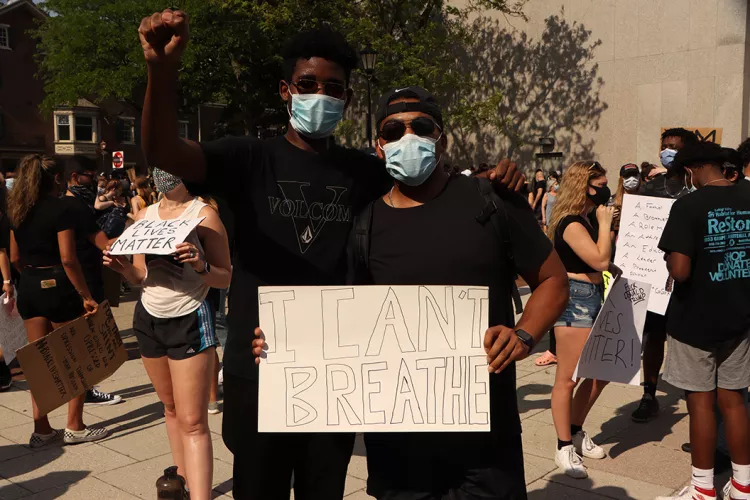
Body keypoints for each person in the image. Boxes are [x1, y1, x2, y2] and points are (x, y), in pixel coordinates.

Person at [137, 9, 525, 499]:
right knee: (259, 490)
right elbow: (164, 153)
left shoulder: (364, 172)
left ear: (346, 98)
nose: (320, 95)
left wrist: (490, 182)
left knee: (324, 490)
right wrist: (161, 70)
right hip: (257, 366)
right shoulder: (247, 159)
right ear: (286, 91)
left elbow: (429, 188)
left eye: (334, 87)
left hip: (335, 374)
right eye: (307, 83)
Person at [253, 87, 568, 499]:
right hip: (398, 446)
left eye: (421, 127)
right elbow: (344, 322)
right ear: (379, 146)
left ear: (441, 139)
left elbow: (553, 281)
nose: (408, 138)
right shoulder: (363, 222)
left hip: (485, 435)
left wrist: (524, 335)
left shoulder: (491, 202)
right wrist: (285, 343)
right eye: (393, 130)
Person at [104, 168, 232, 500]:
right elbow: (139, 275)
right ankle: (181, 485)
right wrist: (122, 268)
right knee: (171, 408)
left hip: (189, 316)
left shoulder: (205, 215)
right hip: (148, 318)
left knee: (192, 420)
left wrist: (201, 265)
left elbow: (225, 277)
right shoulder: (145, 215)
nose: (162, 173)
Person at [655, 142, 750, 500]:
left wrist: (667, 262)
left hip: (694, 320)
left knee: (700, 405)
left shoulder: (688, 205)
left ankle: (703, 489)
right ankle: (743, 485)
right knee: (735, 401)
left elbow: (680, 270)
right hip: (739, 316)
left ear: (692, 171)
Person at [8, 154, 109, 447]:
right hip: (60, 286)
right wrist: (86, 295)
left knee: (39, 360)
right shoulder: (61, 209)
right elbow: (68, 258)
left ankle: (41, 429)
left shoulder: (17, 210)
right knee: (76, 356)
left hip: (28, 283)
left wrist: (29, 277)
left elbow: (15, 257)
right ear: (55, 179)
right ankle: (75, 426)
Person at [546, 161, 613, 479]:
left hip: (594, 298)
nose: (605, 188)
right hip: (575, 302)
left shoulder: (583, 219)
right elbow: (600, 260)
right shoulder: (572, 222)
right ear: (584, 185)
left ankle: (574, 429)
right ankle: (563, 447)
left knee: (602, 372)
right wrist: (604, 223)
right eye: (600, 182)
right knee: (568, 377)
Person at [631, 128, 698, 424]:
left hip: (689, 277)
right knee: (654, 335)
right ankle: (649, 393)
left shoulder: (697, 189)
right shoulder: (651, 187)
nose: (667, 151)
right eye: (664, 146)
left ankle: (694, 392)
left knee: (689, 339)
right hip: (655, 277)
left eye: (674, 147)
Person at [63, 155, 123, 406]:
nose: (96, 181)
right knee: (88, 337)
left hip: (72, 278)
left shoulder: (61, 205)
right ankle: (85, 392)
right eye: (91, 176)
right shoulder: (76, 208)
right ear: (75, 177)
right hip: (85, 278)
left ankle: (80, 390)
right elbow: (102, 242)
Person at [611, 163, 641, 237]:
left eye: (634, 175)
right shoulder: (611, 201)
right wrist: (609, 218)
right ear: (621, 179)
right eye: (627, 176)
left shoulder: (647, 200)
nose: (632, 179)